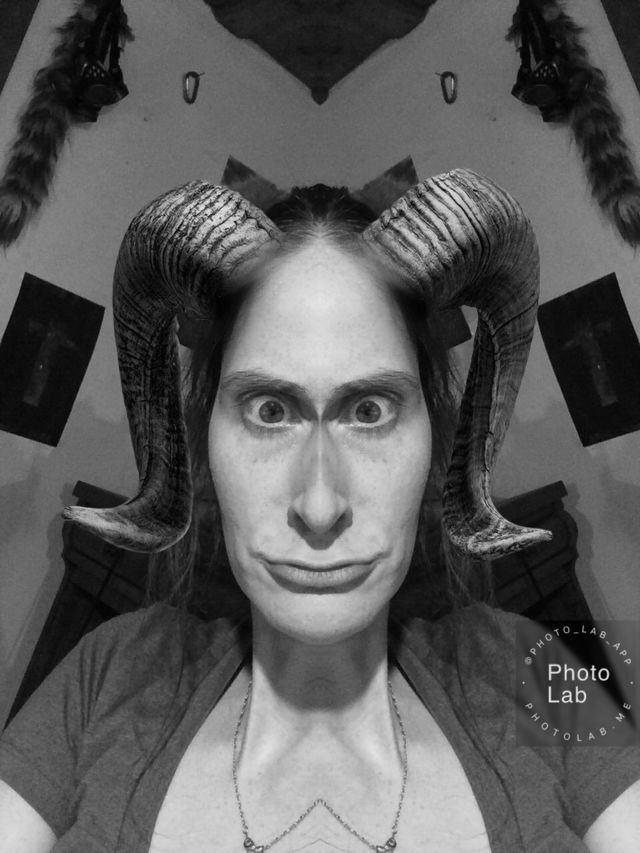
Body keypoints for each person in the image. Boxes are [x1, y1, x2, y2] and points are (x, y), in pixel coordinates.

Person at [0, 169, 638, 852]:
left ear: (437, 432)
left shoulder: (548, 664)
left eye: (370, 410)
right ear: (203, 432)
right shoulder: (106, 673)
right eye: (270, 410)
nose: (320, 505)